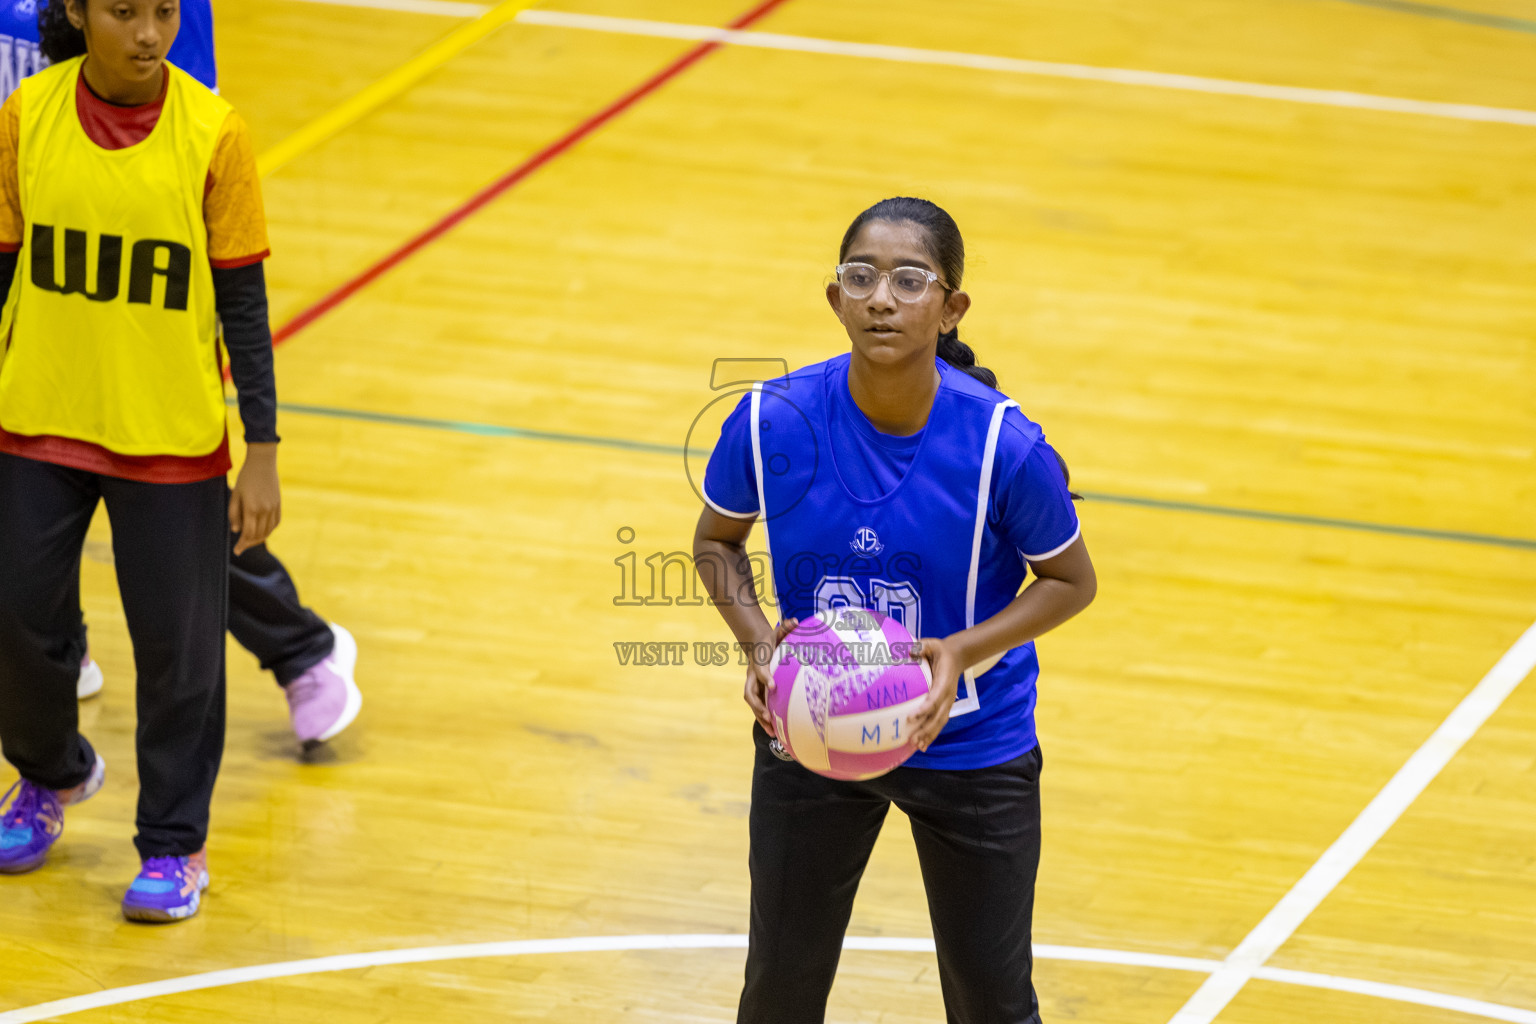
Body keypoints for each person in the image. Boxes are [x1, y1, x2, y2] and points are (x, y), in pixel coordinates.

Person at [693, 197, 1098, 1023]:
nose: (882, 297)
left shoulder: (1001, 445)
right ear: (834, 298)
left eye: (910, 280)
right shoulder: (772, 419)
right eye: (861, 276)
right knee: (778, 990)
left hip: (974, 746)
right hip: (811, 731)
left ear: (951, 309)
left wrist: (960, 650)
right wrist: (758, 645)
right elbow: (716, 543)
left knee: (992, 1001)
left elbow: (1070, 581)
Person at [0, 0, 361, 747]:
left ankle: (301, 648)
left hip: (128, 241)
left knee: (173, 520)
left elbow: (167, 103)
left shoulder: (150, 36)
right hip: (36, 233)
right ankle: (56, 663)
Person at [0, 0, 272, 920]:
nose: (149, 32)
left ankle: (173, 845)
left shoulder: (213, 134)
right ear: (77, 11)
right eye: (124, 11)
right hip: (39, 418)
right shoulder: (25, 115)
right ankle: (50, 776)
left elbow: (243, 303)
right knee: (16, 617)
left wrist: (262, 450)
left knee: (178, 656)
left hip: (169, 437)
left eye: (163, 10)